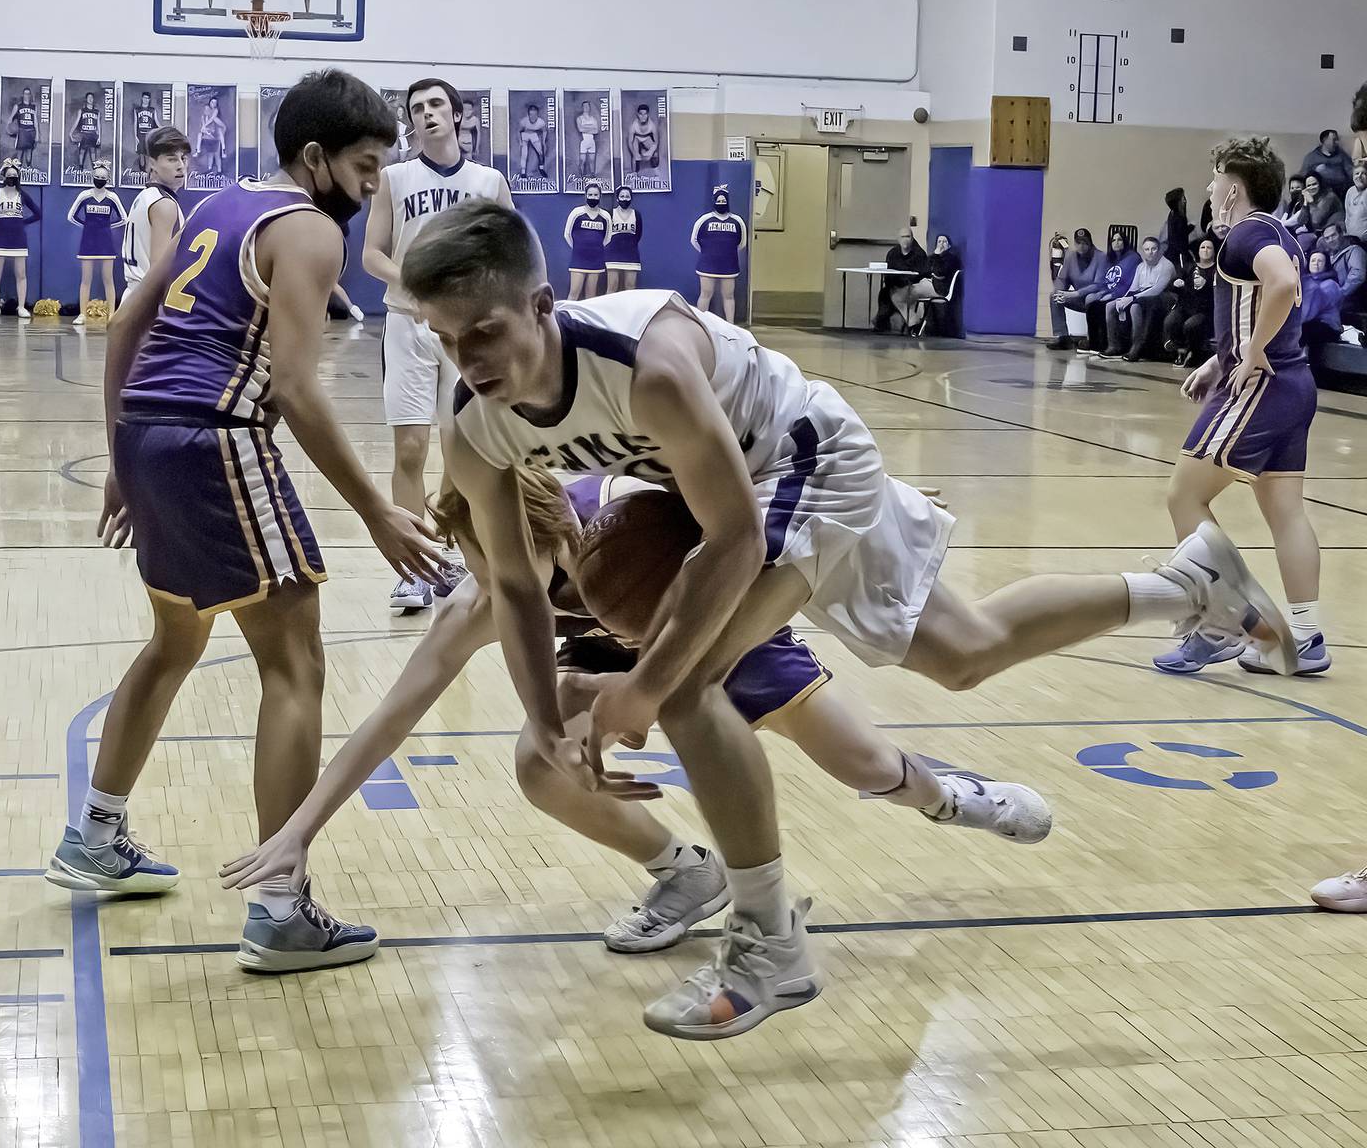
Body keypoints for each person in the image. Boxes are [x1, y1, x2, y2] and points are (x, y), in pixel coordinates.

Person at [401, 198, 1291, 1040]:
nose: (468, 359)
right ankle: (1186, 582)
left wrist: (646, 684)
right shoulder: (474, 424)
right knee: (962, 652)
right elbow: (514, 587)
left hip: (804, 460)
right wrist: (541, 721)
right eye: (446, 339)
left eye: (485, 331)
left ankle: (769, 949)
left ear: (543, 305)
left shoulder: (648, 368)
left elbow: (735, 538)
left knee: (687, 691)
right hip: (758, 489)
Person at [220, 468, 1053, 950]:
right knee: (539, 763)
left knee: (862, 765)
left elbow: (763, 494)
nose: (497, 585)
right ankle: (687, 873)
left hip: (705, 619)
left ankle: (949, 796)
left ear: (550, 530)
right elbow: (390, 717)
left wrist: (879, 501)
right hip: (617, 643)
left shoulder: (631, 514)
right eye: (482, 568)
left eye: (510, 567)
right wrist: (300, 830)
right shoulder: (484, 599)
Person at [42, 69, 445, 974]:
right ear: (315, 159)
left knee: (176, 640)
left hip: (152, 432)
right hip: (216, 437)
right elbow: (297, 388)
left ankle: (95, 833)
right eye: (367, 165)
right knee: (295, 661)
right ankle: (280, 907)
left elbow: (121, 330)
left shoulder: (215, 202)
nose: (376, 183)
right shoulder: (305, 230)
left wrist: (119, 453)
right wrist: (378, 511)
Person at [1155, 136, 1328, 677]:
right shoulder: (1280, 233)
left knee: (1184, 497)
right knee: (1286, 513)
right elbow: (1261, 299)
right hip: (1296, 385)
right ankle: (1305, 637)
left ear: (1233, 187)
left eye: (1213, 180)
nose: (1208, 189)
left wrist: (1250, 354)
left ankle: (1222, 624)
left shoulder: (1248, 232)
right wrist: (1221, 356)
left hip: (1264, 387)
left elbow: (1281, 283)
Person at [361, 76, 514, 613]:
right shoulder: (392, 178)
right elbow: (372, 255)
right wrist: (416, 282)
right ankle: (413, 570)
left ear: (457, 114)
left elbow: (509, 252)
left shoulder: (489, 181)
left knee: (460, 447)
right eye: (417, 108)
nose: (427, 114)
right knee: (410, 448)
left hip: (467, 333)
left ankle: (449, 555)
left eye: (436, 105)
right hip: (407, 324)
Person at [121, 127, 189, 302]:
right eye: (172, 159)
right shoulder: (164, 205)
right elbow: (158, 273)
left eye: (183, 158)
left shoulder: (145, 196)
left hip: (134, 297)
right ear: (152, 163)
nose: (181, 166)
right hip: (148, 305)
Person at [0, 158, 41, 320]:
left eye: (15, 175)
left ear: (18, 177)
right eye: (9, 175)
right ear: (3, 175)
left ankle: (21, 307)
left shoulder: (22, 194)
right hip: (0, 237)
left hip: (19, 238)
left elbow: (38, 214)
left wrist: (21, 223)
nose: (12, 178)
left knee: (21, 273)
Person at [67, 161, 128, 324]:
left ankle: (112, 315)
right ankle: (82, 314)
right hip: (88, 242)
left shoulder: (112, 197)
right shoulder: (84, 196)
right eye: (97, 177)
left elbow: (124, 218)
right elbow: (71, 216)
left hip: (106, 242)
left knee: (108, 279)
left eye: (103, 177)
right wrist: (87, 226)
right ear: (92, 177)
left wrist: (106, 227)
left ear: (108, 179)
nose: (100, 179)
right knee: (86, 279)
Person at [1101, 236, 1175, 362]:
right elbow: (1133, 287)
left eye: (1153, 249)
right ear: (1143, 251)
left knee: (1135, 305)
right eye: (1147, 249)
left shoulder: (1167, 265)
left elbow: (1157, 289)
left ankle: (1137, 346)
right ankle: (1114, 346)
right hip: (1141, 295)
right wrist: (1123, 299)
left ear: (1159, 250)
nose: (1150, 252)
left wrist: (1132, 298)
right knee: (1110, 305)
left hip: (1162, 297)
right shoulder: (1141, 266)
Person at [691, 186, 747, 323]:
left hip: (729, 266)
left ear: (727, 201)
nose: (721, 203)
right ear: (714, 201)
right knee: (705, 294)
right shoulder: (704, 220)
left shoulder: (737, 221)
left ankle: (730, 326)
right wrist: (708, 253)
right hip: (707, 265)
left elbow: (742, 243)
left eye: (723, 200)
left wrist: (727, 253)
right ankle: (701, 324)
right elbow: (694, 240)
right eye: (719, 200)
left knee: (728, 295)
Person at [1162, 237, 1218, 368]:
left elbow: (1219, 292)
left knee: (1190, 325)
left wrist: (1207, 284)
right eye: (1202, 247)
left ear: (1214, 252)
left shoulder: (1216, 271)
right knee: (1170, 321)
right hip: (1185, 307)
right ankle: (1179, 348)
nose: (1205, 250)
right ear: (1198, 251)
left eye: (1209, 248)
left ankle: (1193, 352)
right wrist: (1175, 284)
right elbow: (1171, 286)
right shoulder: (1189, 267)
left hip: (1205, 310)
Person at [1046, 228, 1106, 349]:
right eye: (1079, 243)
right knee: (1054, 297)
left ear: (1090, 243)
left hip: (1097, 300)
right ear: (1075, 243)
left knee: (1090, 298)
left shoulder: (1101, 257)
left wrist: (1075, 294)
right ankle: (1063, 337)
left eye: (1085, 243)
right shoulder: (1070, 257)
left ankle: (1092, 339)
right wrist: (1060, 292)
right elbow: (1062, 279)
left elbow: (1098, 284)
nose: (1082, 246)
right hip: (1078, 299)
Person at [1081, 231, 1139, 356]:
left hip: (1123, 295)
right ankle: (1094, 344)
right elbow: (1106, 281)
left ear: (1125, 242)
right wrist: (1101, 293)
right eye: (1113, 240)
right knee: (1092, 305)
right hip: (1110, 293)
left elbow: (1129, 284)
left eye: (1119, 240)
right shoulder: (1111, 259)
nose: (1116, 243)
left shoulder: (1133, 258)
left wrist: (1112, 295)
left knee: (1099, 307)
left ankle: (1108, 345)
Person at [874, 227, 930, 334]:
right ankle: (882, 323)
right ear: (898, 239)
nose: (905, 239)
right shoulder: (892, 253)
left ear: (912, 238)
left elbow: (922, 274)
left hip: (912, 287)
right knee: (884, 293)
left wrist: (902, 281)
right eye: (903, 237)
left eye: (908, 237)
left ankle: (912, 322)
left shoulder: (919, 254)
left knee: (894, 295)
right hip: (895, 285)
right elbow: (888, 273)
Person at [564, 183, 609, 299]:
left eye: (595, 195)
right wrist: (579, 248)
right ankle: (567, 316)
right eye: (590, 194)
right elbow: (567, 234)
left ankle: (586, 318)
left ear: (600, 196)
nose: (593, 197)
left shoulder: (605, 216)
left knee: (591, 295)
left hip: (596, 259)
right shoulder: (576, 212)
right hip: (579, 259)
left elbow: (607, 237)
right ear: (585, 196)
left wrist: (595, 248)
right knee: (574, 293)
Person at [1320, 222, 1366, 320]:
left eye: (1333, 235)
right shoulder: (1329, 255)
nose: (1330, 240)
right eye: (1327, 238)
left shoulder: (1354, 250)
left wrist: (1340, 294)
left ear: (1342, 234)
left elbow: (1357, 275)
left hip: (1352, 300)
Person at [1300, 250, 1343, 353]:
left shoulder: (1330, 285)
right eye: (1313, 260)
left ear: (1326, 265)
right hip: (1313, 323)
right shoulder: (1307, 281)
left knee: (1302, 330)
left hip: (1328, 327)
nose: (1316, 263)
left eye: (1320, 261)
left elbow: (1309, 313)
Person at [605, 186, 642, 292]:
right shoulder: (610, 213)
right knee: (612, 286)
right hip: (613, 254)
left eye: (627, 196)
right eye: (622, 196)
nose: (624, 199)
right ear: (617, 199)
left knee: (630, 287)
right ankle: (609, 308)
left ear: (631, 198)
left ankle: (630, 308)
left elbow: (638, 234)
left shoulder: (636, 214)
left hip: (631, 254)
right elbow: (606, 233)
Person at [1300, 129, 1354, 200]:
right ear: (1324, 141)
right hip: (1320, 196)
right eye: (1334, 140)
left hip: (1340, 193)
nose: (1337, 142)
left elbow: (1351, 173)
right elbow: (1303, 177)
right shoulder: (1311, 158)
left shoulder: (1342, 156)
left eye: (1337, 140)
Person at [7, 87, 40, 170]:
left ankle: (28, 171)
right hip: (22, 131)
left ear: (30, 95)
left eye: (28, 94)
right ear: (23, 95)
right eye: (25, 93)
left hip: (31, 131)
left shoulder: (34, 107)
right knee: (19, 154)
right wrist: (8, 128)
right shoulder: (18, 106)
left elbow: (35, 121)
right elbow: (10, 118)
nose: (27, 95)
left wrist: (37, 134)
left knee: (29, 154)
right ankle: (17, 172)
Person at [1161, 188, 1192, 269]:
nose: (1185, 201)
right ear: (1177, 202)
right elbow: (1179, 239)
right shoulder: (1179, 218)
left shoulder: (1172, 214)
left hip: (1174, 252)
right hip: (1177, 255)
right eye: (1183, 199)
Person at [72, 92, 103, 172]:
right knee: (82, 151)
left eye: (91, 97)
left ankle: (94, 168)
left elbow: (98, 125)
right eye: (89, 97)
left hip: (93, 134)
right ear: (86, 99)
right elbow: (76, 122)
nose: (90, 99)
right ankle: (80, 167)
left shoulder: (97, 112)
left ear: (93, 99)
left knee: (93, 150)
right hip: (84, 133)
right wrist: (71, 132)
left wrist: (99, 136)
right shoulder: (82, 110)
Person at [132, 92, 160, 175]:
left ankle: (147, 173)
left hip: (149, 135)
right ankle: (141, 172)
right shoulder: (137, 110)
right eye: (144, 98)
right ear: (142, 98)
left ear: (149, 99)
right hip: (140, 134)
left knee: (148, 154)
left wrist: (163, 128)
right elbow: (135, 123)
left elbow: (157, 122)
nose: (146, 100)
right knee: (141, 154)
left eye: (147, 98)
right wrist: (135, 136)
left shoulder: (152, 110)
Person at [627, 104, 659, 174]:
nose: (643, 116)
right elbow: (630, 142)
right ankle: (634, 174)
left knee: (655, 155)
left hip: (647, 138)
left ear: (648, 115)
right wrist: (634, 153)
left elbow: (656, 142)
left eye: (645, 114)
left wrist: (651, 152)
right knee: (635, 158)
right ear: (637, 115)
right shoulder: (633, 126)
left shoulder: (652, 126)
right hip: (636, 138)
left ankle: (655, 169)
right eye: (641, 114)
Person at [518, 104, 547, 179]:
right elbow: (519, 131)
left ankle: (541, 168)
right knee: (524, 154)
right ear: (528, 115)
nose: (533, 117)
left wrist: (543, 142)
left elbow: (544, 131)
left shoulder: (541, 122)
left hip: (533, 134)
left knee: (540, 152)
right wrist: (520, 141)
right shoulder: (524, 121)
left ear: (537, 114)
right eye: (531, 114)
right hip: (525, 134)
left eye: (535, 114)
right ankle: (523, 172)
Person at [574, 99, 600, 178]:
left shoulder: (593, 119)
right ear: (582, 108)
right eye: (584, 106)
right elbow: (580, 129)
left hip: (592, 142)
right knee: (582, 161)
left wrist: (585, 127)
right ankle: (581, 176)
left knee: (592, 161)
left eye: (587, 106)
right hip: (584, 142)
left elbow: (596, 131)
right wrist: (591, 128)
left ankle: (592, 175)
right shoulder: (579, 118)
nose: (586, 107)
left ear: (589, 107)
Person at [1345, 161, 1367, 243]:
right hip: (1351, 239)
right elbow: (1347, 217)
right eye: (1357, 173)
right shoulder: (1350, 191)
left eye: (1364, 173)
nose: (1360, 176)